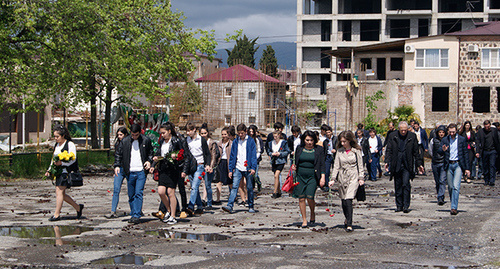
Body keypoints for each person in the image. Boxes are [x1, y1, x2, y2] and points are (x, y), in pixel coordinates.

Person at [114, 124, 153, 224]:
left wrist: (149, 161)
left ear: (140, 133)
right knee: (131, 194)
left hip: (141, 171)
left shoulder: (146, 140)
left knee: (138, 192)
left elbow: (151, 152)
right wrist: (117, 165)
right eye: (132, 135)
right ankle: (133, 212)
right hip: (130, 171)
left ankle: (136, 215)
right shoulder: (125, 141)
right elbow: (118, 153)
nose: (134, 137)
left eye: (136, 135)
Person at [151, 122, 187, 224]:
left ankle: (173, 215)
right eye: (161, 133)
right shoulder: (162, 141)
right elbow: (158, 152)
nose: (162, 135)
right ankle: (168, 210)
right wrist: (154, 162)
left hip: (173, 169)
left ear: (169, 131)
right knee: (161, 191)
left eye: (164, 133)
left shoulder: (176, 141)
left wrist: (176, 156)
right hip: (163, 169)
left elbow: (182, 154)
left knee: (171, 192)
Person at [45, 125, 84, 221]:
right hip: (58, 171)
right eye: (54, 136)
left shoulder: (70, 144)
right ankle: (78, 207)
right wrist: (49, 170)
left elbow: (73, 159)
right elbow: (53, 159)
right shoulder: (57, 145)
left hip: (66, 171)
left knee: (59, 192)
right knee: (61, 194)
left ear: (63, 136)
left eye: (57, 136)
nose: (55, 138)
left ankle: (56, 214)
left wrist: (62, 163)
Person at [329, 130, 365, 232]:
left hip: (353, 175)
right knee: (344, 200)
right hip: (342, 177)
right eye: (341, 141)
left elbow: (360, 165)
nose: (342, 143)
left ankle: (349, 223)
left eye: (344, 141)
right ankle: (346, 218)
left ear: (349, 140)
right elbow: (336, 166)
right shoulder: (339, 151)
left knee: (349, 198)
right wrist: (333, 179)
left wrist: (361, 178)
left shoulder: (356, 151)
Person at [385, 121, 423, 213]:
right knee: (398, 185)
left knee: (405, 184)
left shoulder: (412, 136)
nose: (403, 132)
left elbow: (415, 152)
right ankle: (399, 205)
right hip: (396, 163)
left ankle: (406, 205)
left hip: (407, 164)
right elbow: (389, 149)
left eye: (405, 130)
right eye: (401, 130)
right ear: (398, 129)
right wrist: (387, 162)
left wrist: (419, 164)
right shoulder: (393, 136)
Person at [291, 130, 326, 228]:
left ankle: (312, 212)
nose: (309, 142)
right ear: (303, 140)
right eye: (307, 140)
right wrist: (294, 167)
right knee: (301, 198)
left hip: (313, 176)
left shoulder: (319, 149)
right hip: (300, 176)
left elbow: (322, 164)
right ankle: (304, 219)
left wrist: (323, 177)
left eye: (311, 140)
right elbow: (295, 161)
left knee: (310, 197)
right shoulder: (299, 148)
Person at [222, 123, 257, 214]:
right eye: (239, 133)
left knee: (249, 187)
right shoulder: (236, 142)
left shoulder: (250, 141)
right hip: (238, 167)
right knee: (235, 187)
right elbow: (232, 156)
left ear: (246, 132)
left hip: (248, 168)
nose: (240, 135)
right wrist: (231, 169)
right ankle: (230, 205)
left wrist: (253, 167)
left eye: (242, 133)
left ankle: (251, 205)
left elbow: (253, 155)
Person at [439, 123, 470, 215]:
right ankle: (453, 201)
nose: (451, 133)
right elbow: (439, 151)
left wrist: (467, 169)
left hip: (458, 164)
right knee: (451, 187)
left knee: (456, 187)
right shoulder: (445, 139)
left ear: (456, 131)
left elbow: (465, 154)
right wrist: (443, 150)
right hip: (449, 164)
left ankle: (454, 207)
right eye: (450, 132)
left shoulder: (461, 140)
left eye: (453, 132)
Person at [183, 122, 211, 215]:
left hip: (200, 165)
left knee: (195, 186)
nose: (188, 133)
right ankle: (199, 207)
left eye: (190, 131)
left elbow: (207, 153)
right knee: (194, 188)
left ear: (194, 129)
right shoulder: (187, 140)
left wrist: (207, 164)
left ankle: (190, 206)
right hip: (191, 166)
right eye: (187, 131)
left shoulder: (201, 140)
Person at [105, 127, 129, 219]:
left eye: (121, 135)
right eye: (118, 135)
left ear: (125, 135)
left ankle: (136, 210)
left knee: (132, 191)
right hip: (120, 169)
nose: (119, 137)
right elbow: (116, 157)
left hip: (128, 168)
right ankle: (113, 210)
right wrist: (116, 166)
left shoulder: (129, 143)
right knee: (116, 189)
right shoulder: (117, 144)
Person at [199, 124, 220, 210]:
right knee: (200, 184)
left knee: (208, 185)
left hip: (209, 166)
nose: (203, 135)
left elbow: (213, 156)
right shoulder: (198, 141)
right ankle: (202, 201)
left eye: (204, 133)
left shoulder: (212, 143)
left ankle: (209, 203)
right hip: (200, 164)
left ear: (207, 133)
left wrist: (211, 166)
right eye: (201, 133)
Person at [475, 120, 500, 186]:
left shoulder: (494, 130)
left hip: (492, 150)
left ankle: (492, 180)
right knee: (485, 166)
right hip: (485, 151)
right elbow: (478, 142)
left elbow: (497, 140)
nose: (487, 128)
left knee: (492, 165)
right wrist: (477, 151)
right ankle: (486, 180)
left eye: (488, 127)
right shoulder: (481, 131)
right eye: (486, 127)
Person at [267, 130, 290, 198]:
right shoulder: (271, 143)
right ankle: (279, 191)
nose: (275, 138)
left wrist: (280, 154)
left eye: (276, 136)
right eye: (274, 136)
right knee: (276, 176)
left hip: (281, 161)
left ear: (279, 135)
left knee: (276, 175)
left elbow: (287, 151)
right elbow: (269, 151)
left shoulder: (283, 143)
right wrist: (272, 154)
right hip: (274, 161)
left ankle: (274, 192)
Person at [429, 125, 447, 205]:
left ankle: (440, 197)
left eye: (443, 132)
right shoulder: (433, 140)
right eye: (440, 132)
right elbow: (430, 150)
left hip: (443, 162)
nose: (441, 134)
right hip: (435, 162)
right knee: (437, 181)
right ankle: (439, 194)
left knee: (442, 180)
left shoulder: (447, 140)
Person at [214, 127, 232, 205]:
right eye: (222, 134)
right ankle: (218, 199)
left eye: (225, 134)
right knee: (219, 181)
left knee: (230, 181)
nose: (223, 136)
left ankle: (232, 197)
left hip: (228, 162)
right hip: (220, 162)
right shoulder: (219, 143)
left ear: (228, 135)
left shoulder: (232, 143)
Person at [249, 125, 264, 192]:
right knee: (250, 175)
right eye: (250, 131)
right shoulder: (247, 139)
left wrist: (255, 158)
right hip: (248, 159)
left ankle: (258, 183)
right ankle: (251, 188)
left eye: (252, 131)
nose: (251, 133)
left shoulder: (257, 139)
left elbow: (259, 150)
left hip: (256, 159)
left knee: (255, 174)